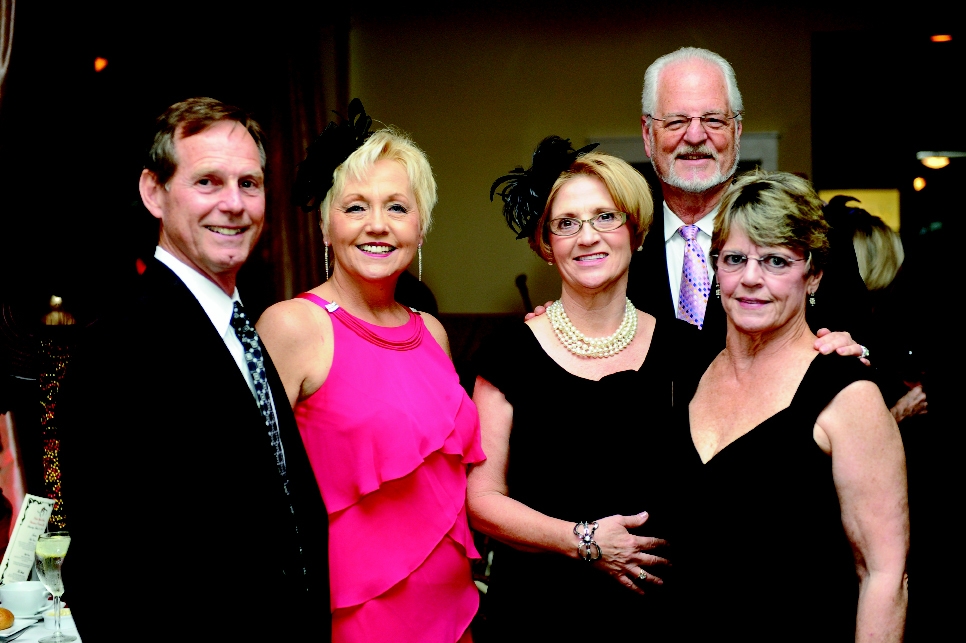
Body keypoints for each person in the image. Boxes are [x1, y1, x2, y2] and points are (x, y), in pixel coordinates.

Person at [58, 98, 331, 639]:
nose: (234, 204)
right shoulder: (117, 349)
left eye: (249, 184)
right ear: (153, 193)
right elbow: (105, 573)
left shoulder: (241, 327)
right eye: (207, 182)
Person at [255, 99, 484, 642]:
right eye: (356, 207)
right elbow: (251, 494)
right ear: (326, 226)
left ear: (421, 227)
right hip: (352, 618)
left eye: (398, 208)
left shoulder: (433, 332)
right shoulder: (293, 326)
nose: (377, 225)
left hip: (455, 610)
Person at [467, 136, 687, 640]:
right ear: (546, 246)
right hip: (540, 612)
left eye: (605, 217)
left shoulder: (687, 352)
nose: (587, 237)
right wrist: (583, 540)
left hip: (659, 614)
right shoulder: (508, 355)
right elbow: (481, 500)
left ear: (636, 231)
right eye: (567, 224)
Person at [674, 171, 909, 640]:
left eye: (776, 261)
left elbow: (885, 576)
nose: (751, 279)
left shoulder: (847, 394)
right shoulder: (686, 373)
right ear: (714, 267)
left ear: (814, 274)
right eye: (735, 259)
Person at [629, 46, 871, 361]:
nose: (695, 135)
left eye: (713, 120)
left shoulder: (810, 235)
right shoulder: (617, 241)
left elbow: (870, 342)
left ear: (737, 130)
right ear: (648, 134)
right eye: (676, 122)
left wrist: (859, 351)